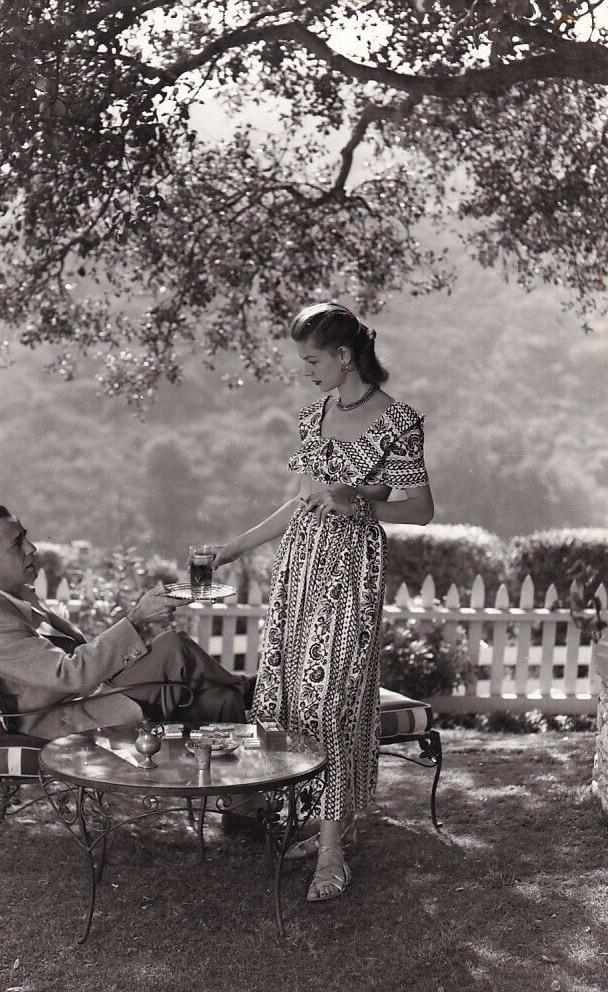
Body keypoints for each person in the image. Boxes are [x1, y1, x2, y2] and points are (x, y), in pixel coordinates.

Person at [212, 302, 434, 902]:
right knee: (290, 701)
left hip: (352, 572)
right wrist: (230, 549)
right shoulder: (314, 416)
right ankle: (313, 821)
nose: (305, 370)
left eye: (312, 359)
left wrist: (358, 503)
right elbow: (300, 503)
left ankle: (332, 851)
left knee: (333, 703)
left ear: (344, 355)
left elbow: (419, 508)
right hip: (299, 570)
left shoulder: (399, 422)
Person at [0, 505, 254, 741]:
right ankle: (251, 690)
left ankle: (243, 815)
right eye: (17, 543)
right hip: (63, 720)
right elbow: (69, 675)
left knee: (221, 699)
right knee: (172, 647)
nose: (32, 548)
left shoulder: (10, 598)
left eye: (26, 537)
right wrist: (136, 618)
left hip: (83, 697)